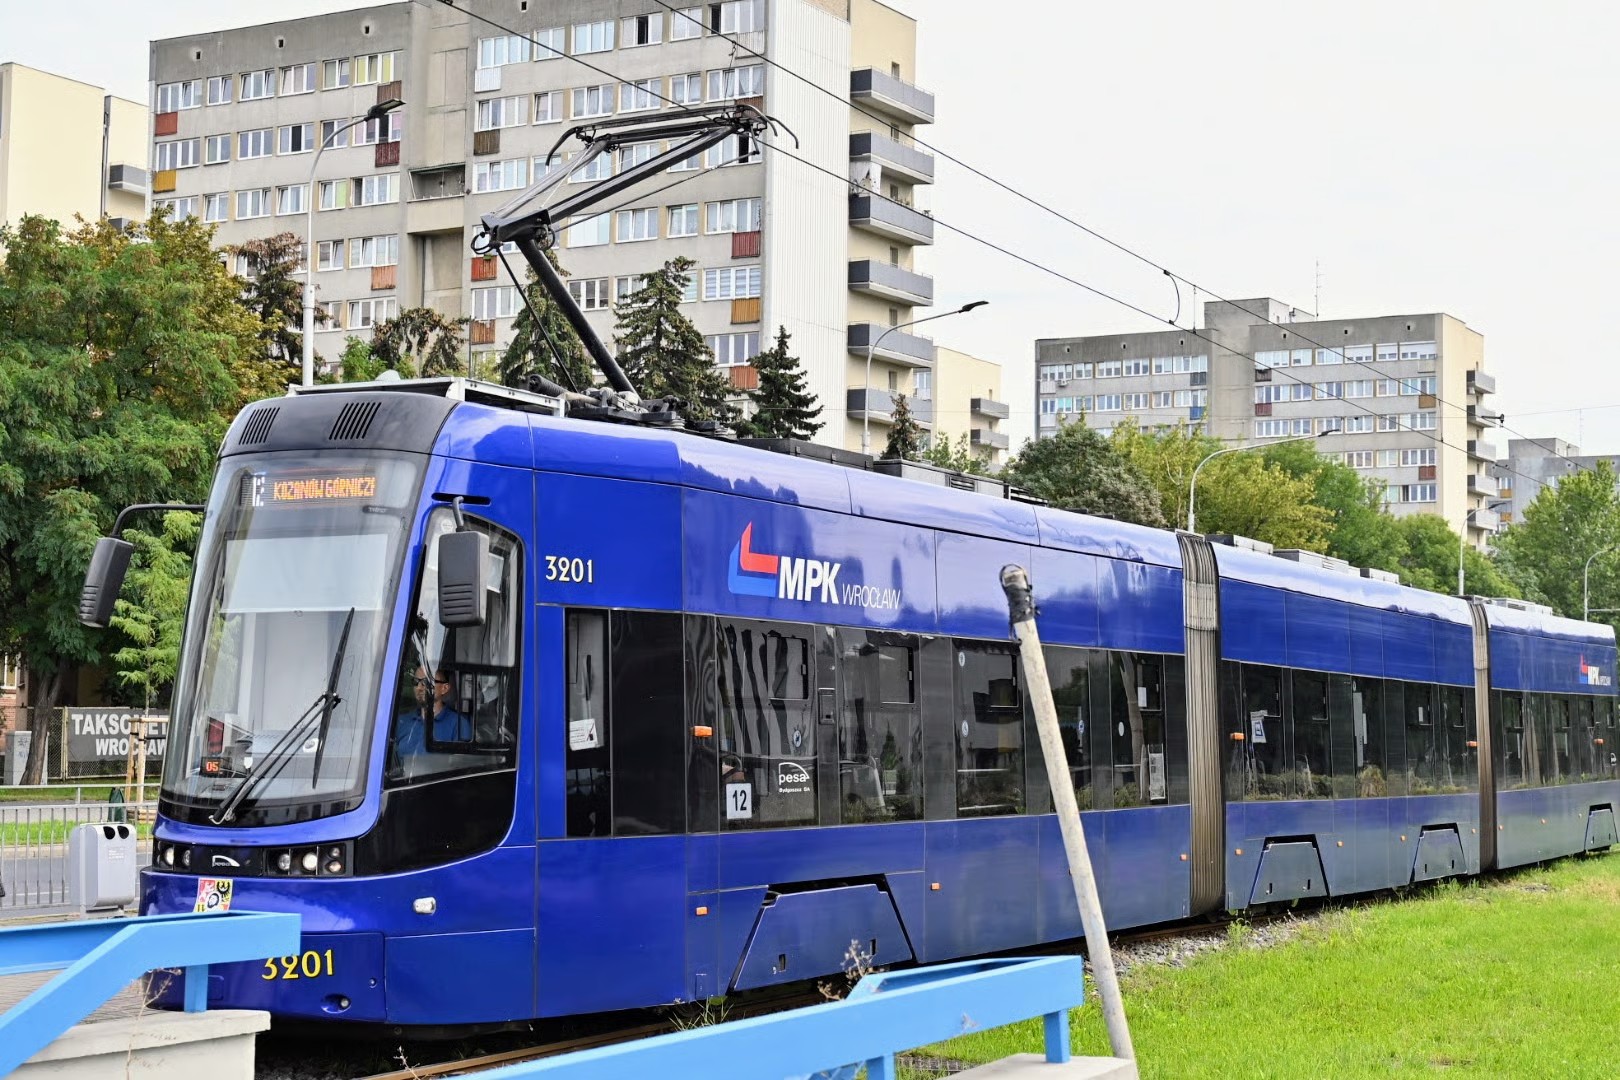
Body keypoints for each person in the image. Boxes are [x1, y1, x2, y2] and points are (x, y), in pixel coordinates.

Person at [394, 666, 471, 757]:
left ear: (445, 688)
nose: (419, 687)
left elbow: (461, 765)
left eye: (426, 682)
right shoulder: (402, 721)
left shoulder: (459, 724)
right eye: (416, 682)